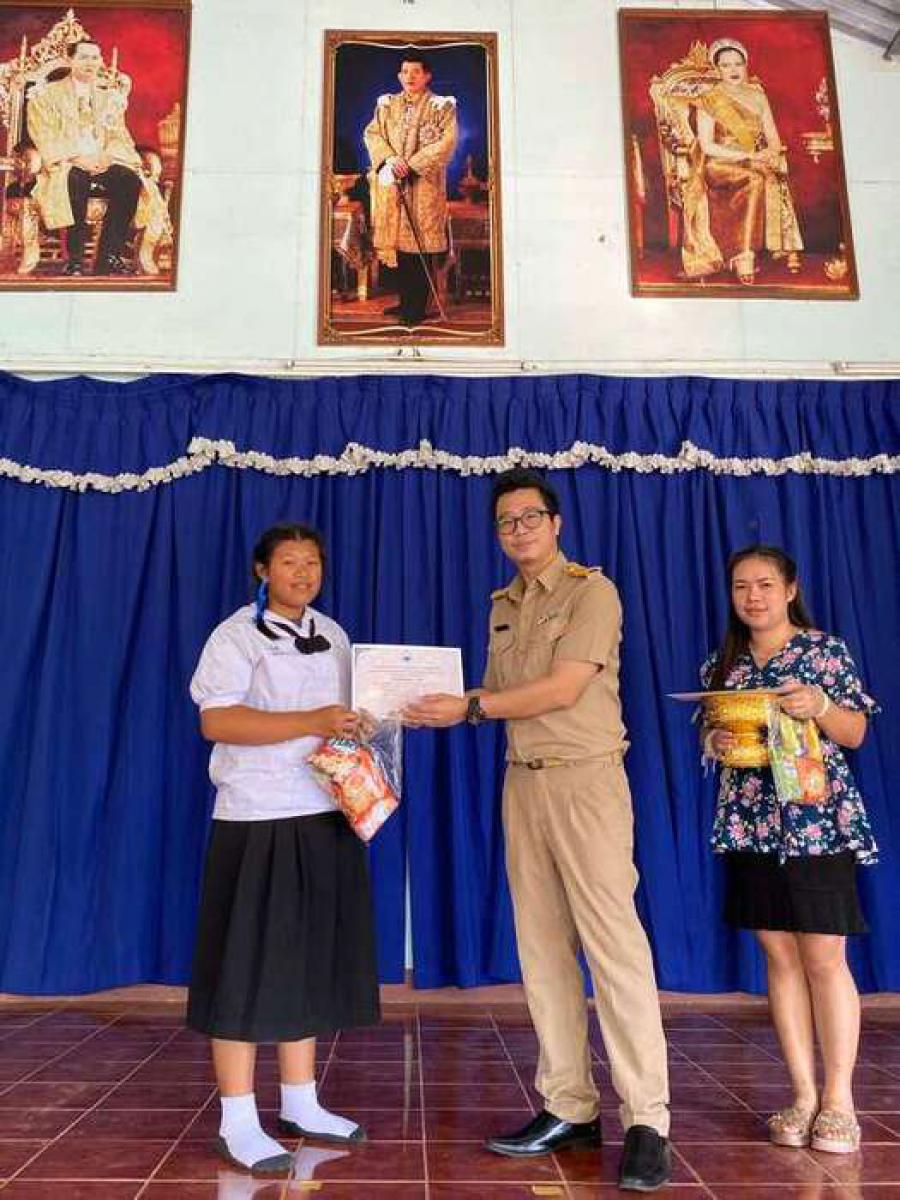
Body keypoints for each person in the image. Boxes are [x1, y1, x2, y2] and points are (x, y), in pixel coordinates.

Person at [404, 468, 671, 1193]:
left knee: (614, 949)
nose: (518, 531)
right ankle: (569, 1107)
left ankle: (647, 1121)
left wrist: (468, 708)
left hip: (587, 781)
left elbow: (562, 688)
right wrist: (430, 704)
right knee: (543, 950)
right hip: (523, 782)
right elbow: (503, 696)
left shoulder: (592, 593)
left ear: (556, 524)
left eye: (529, 518)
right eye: (506, 522)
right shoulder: (503, 605)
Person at [188, 523, 380, 1174]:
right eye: (290, 562)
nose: (303, 573)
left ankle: (301, 1101)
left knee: (308, 960)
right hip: (257, 816)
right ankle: (236, 1118)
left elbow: (346, 715)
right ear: (261, 571)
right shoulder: (235, 637)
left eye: (313, 562)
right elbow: (217, 721)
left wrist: (362, 720)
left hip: (325, 811)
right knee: (243, 965)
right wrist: (313, 720)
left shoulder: (335, 635)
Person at [701, 545, 878, 1155]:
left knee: (825, 957)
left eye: (765, 585)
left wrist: (821, 706)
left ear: (790, 589)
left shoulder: (824, 652)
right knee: (779, 957)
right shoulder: (723, 663)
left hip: (816, 821)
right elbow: (713, 734)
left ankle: (840, 1101)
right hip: (750, 825)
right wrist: (716, 740)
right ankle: (802, 1095)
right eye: (741, 586)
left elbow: (856, 732)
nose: (753, 597)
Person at [26, 39, 164, 276]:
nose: (90, 63)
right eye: (83, 57)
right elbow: (42, 134)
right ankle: (75, 260)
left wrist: (108, 156)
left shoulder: (108, 98)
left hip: (103, 159)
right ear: (70, 60)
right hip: (66, 162)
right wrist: (77, 156)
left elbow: (119, 135)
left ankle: (108, 256)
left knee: (129, 179)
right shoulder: (46, 95)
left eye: (94, 57)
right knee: (74, 180)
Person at [682, 38, 803, 284]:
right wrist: (749, 156)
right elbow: (707, 146)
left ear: (746, 65)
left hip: (751, 160)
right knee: (755, 179)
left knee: (764, 175)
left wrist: (769, 154)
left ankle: (750, 252)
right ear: (717, 69)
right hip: (717, 164)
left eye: (738, 64)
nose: (733, 70)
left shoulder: (758, 97)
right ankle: (744, 255)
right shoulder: (709, 99)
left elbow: (774, 140)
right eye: (726, 65)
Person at [363, 54, 457, 326]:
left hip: (424, 185)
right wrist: (390, 159)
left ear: (427, 76)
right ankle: (405, 302)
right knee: (401, 247)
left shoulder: (442, 106)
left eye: (416, 72)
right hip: (393, 183)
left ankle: (417, 308)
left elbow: (447, 142)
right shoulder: (387, 105)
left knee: (420, 245)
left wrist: (412, 165)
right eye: (405, 72)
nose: (410, 77)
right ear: (399, 76)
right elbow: (373, 134)